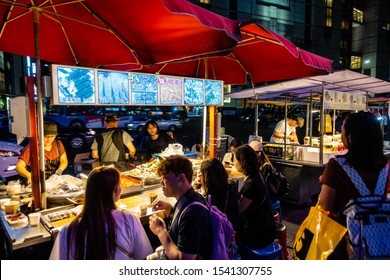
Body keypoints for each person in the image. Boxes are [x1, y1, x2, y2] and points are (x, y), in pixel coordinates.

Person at [318, 111, 389, 259]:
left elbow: (325, 204)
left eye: (342, 130)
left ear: (350, 137)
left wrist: (325, 182)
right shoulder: (385, 166)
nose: (341, 133)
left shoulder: (336, 165)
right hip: (381, 240)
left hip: (346, 241)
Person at [49, 166, 153, 260]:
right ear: (115, 191)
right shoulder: (129, 220)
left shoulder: (67, 232)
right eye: (119, 185)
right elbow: (144, 258)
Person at [148, 155, 213, 260]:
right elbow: (180, 228)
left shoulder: (191, 214)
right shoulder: (191, 197)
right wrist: (169, 208)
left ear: (182, 178)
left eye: (165, 178)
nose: (161, 182)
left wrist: (160, 231)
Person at [234, 145, 275, 250]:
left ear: (242, 162)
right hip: (267, 228)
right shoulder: (256, 174)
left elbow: (236, 211)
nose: (233, 163)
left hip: (257, 236)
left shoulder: (252, 185)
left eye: (234, 160)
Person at [200, 158, 239, 234]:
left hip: (219, 238)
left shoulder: (208, 199)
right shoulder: (232, 186)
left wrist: (203, 188)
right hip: (233, 232)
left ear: (206, 178)